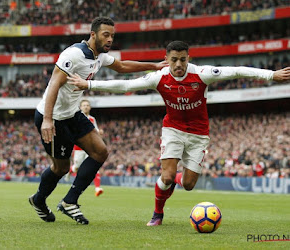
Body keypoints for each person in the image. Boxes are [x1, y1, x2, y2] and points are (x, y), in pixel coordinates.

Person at [67, 40, 290, 226]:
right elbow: (126, 86)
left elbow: (237, 71)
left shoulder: (203, 74)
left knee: (190, 184)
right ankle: (158, 213)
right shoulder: (160, 77)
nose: (178, 64)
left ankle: (174, 182)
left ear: (188, 58)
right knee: (167, 176)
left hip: (199, 135)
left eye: (182, 59)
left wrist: (271, 76)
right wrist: (89, 85)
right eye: (173, 59)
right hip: (172, 129)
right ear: (167, 59)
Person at [29, 16, 167, 225]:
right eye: (106, 35)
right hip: (54, 117)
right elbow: (54, 84)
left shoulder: (100, 55)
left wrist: (154, 66)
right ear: (93, 35)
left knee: (100, 152)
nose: (110, 39)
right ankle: (39, 200)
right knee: (61, 168)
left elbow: (122, 66)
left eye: (112, 35)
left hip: (72, 113)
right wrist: (47, 120)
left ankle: (69, 201)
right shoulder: (73, 54)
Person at [64, 99, 104, 197]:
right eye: (84, 105)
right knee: (77, 167)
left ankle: (97, 188)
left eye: (87, 105)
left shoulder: (92, 119)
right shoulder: (76, 118)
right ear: (80, 107)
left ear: (90, 107)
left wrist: (99, 133)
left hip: (90, 148)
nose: (86, 107)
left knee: (94, 166)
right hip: (79, 148)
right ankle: (71, 169)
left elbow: (95, 131)